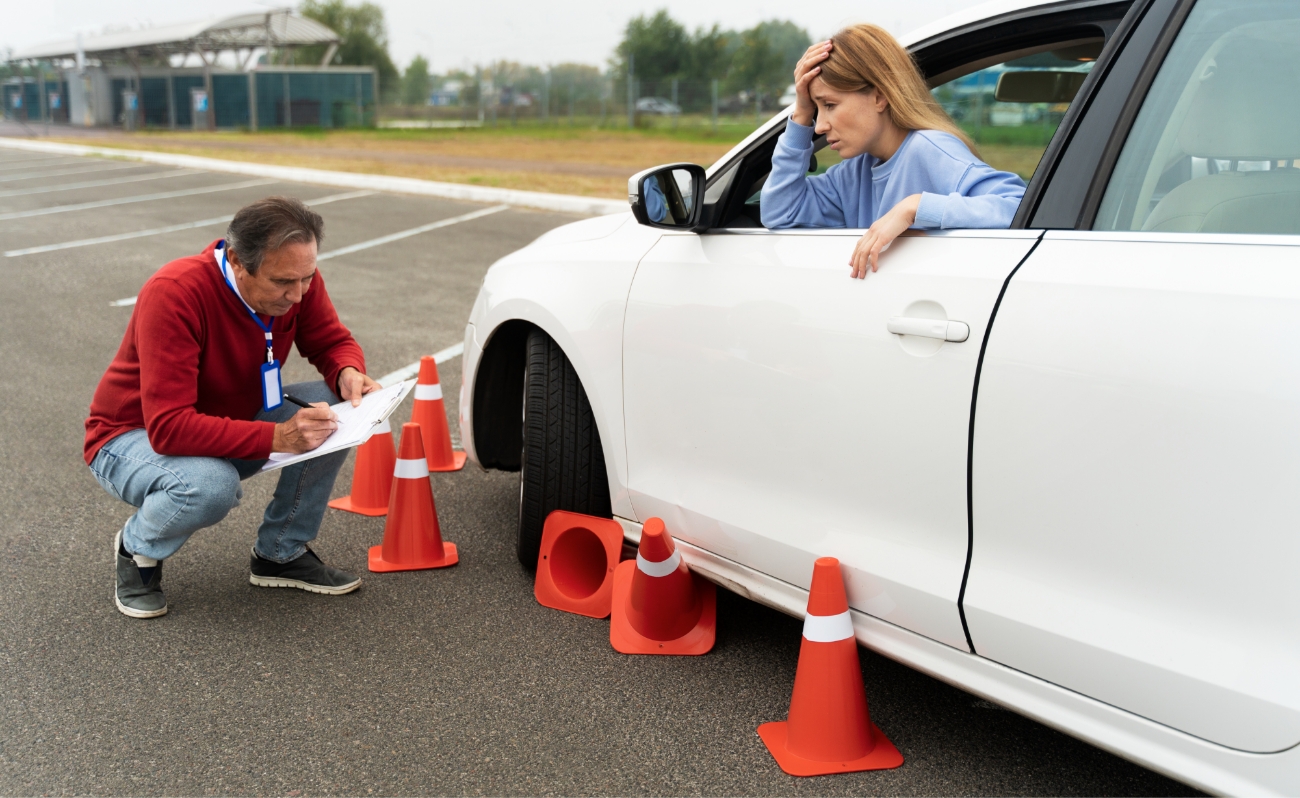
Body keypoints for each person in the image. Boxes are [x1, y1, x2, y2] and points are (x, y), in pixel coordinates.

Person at [85, 196, 382, 619]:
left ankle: (280, 553)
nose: (298, 295)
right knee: (211, 484)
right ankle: (138, 551)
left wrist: (347, 372)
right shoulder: (175, 293)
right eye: (284, 282)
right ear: (239, 262)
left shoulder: (295, 276)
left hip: (227, 419)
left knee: (333, 408)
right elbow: (169, 428)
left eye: (308, 278)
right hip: (130, 438)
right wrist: (278, 436)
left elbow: (331, 341)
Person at [761, 25, 1027, 278]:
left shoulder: (929, 149)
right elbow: (780, 212)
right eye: (816, 110)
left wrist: (915, 207)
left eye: (829, 104)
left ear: (879, 96)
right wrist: (801, 113)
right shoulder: (852, 173)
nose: (819, 126)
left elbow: (1018, 207)